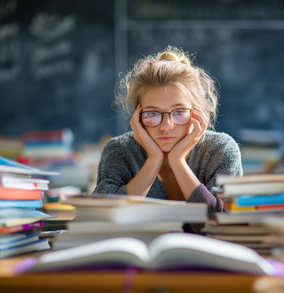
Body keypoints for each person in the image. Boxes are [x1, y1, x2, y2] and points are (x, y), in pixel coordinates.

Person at [93, 46, 243, 233]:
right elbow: (102, 221)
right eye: (152, 113)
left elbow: (221, 226)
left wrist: (178, 161)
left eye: (179, 112)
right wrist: (153, 160)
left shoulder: (220, 149)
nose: (166, 126)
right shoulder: (118, 150)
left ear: (198, 112)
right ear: (137, 115)